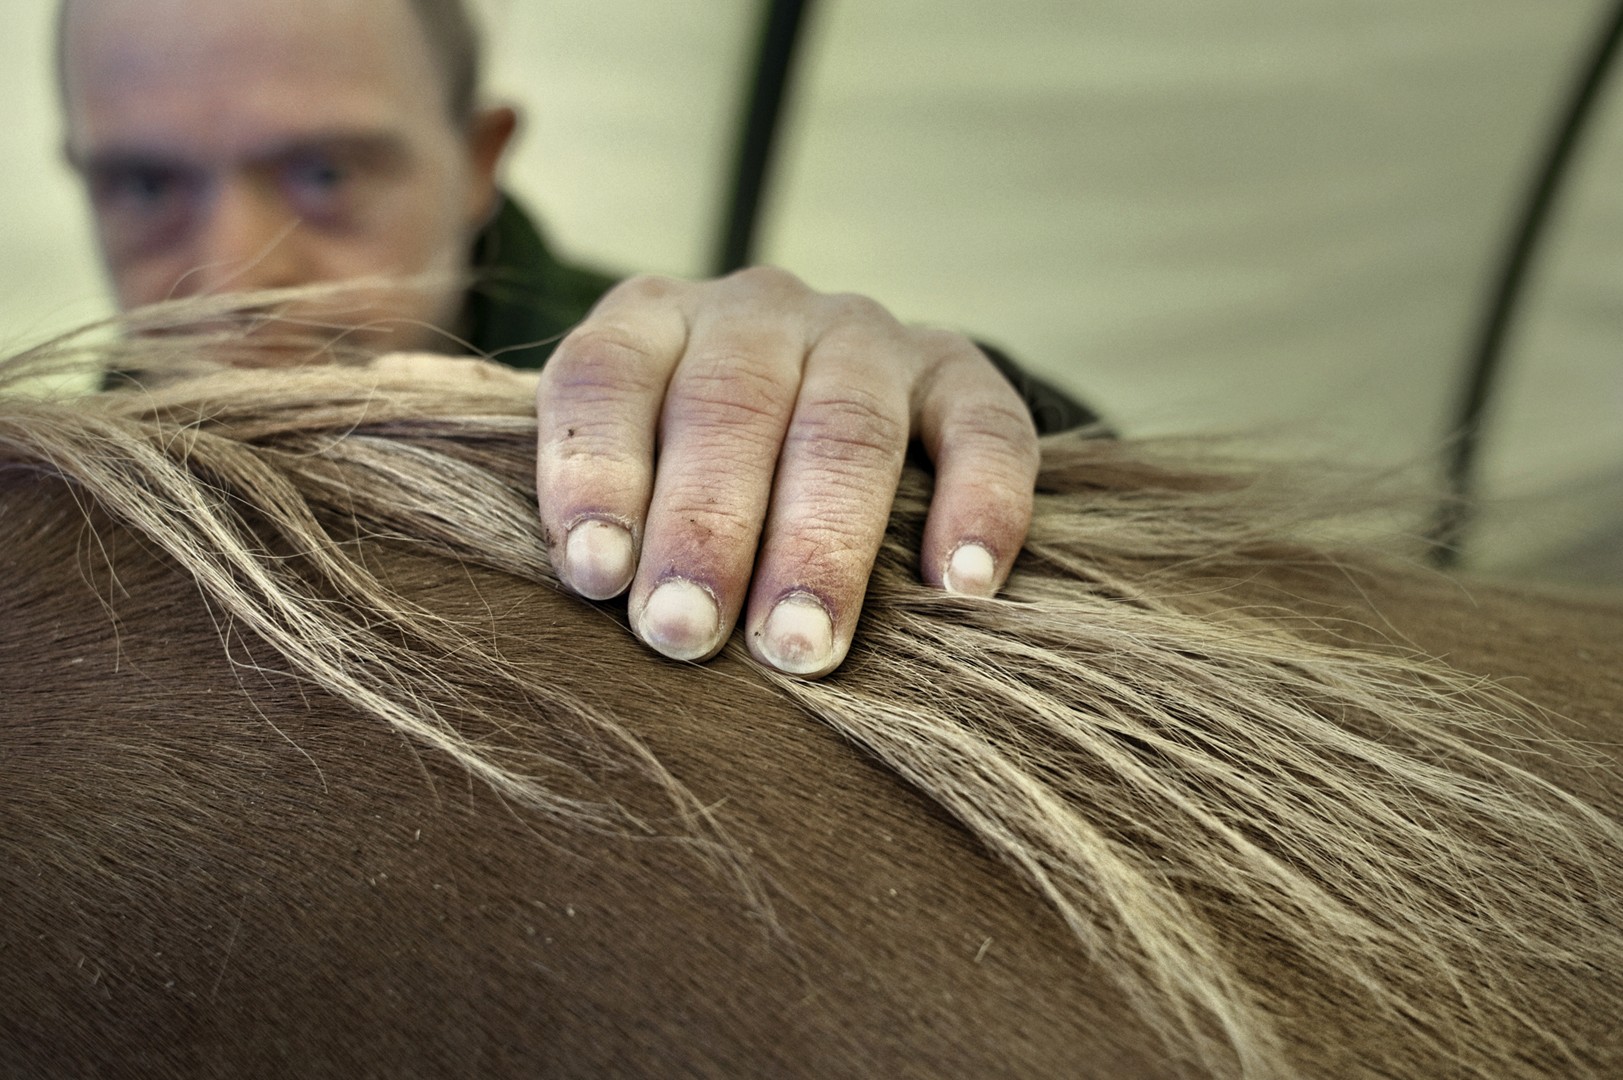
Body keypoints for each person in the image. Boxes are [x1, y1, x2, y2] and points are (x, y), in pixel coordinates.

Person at [55, 0, 1099, 678]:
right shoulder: (40, 532)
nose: (236, 277)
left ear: (477, 159)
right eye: (144, 186)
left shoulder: (698, 388)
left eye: (325, 176)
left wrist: (940, 416)